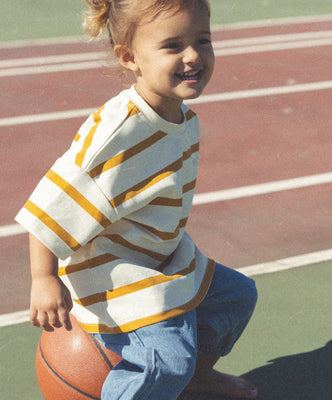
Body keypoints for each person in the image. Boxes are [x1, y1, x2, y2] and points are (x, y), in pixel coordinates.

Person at [15, 0, 258, 399]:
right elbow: (50, 205)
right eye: (173, 45)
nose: (193, 55)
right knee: (167, 359)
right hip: (115, 272)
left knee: (235, 297)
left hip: (159, 258)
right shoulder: (119, 135)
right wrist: (44, 279)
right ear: (130, 58)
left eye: (203, 40)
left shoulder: (181, 118)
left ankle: (192, 379)